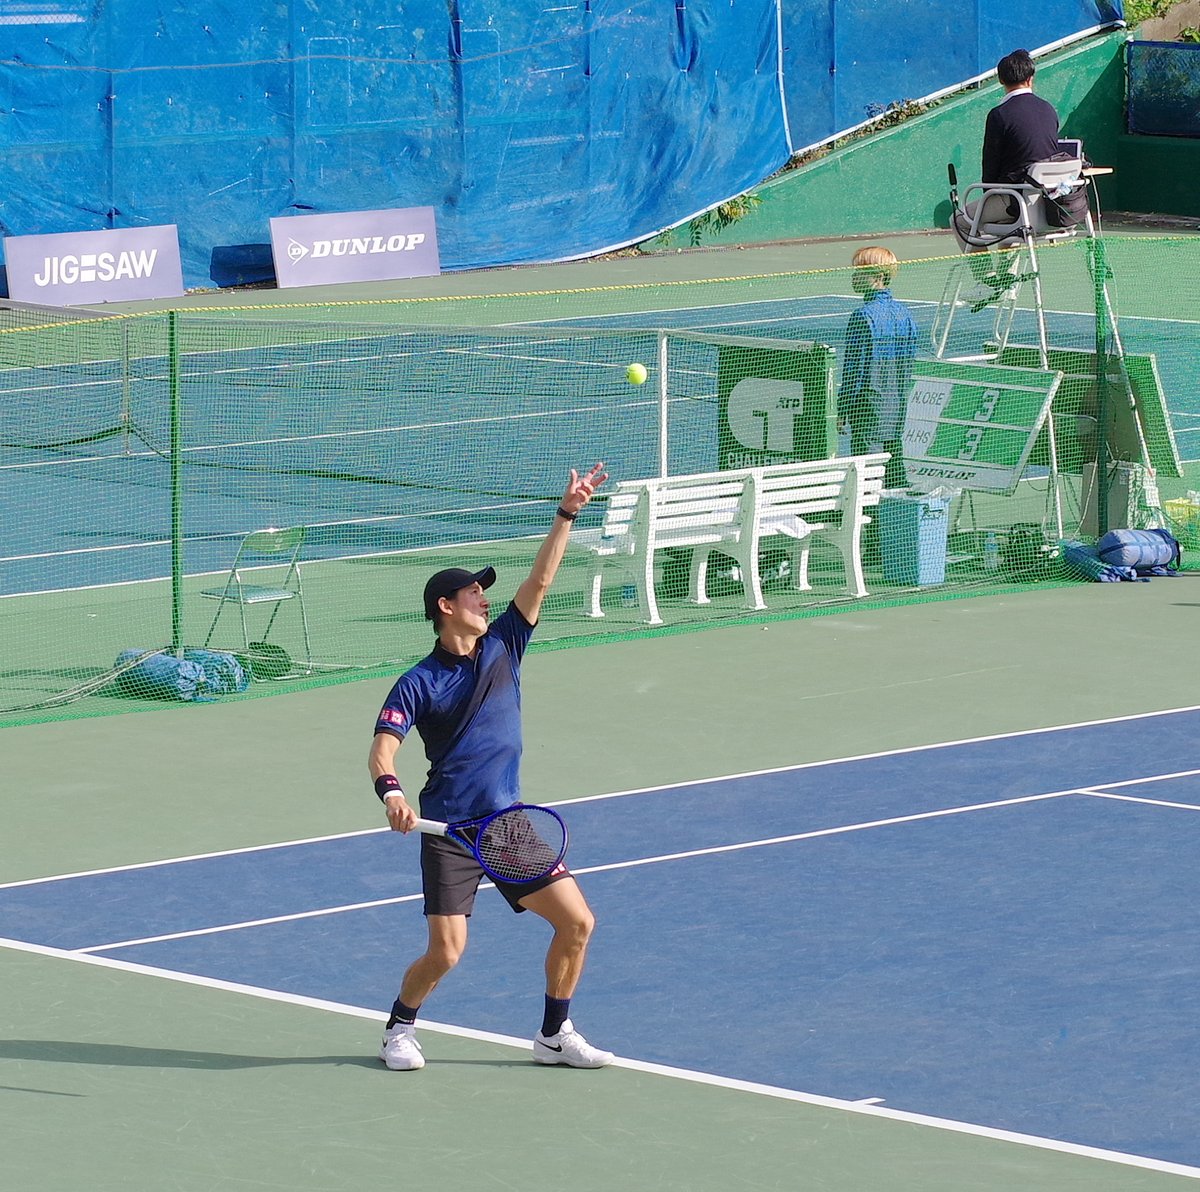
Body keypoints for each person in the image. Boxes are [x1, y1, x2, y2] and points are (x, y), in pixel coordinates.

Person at [368, 462, 613, 1072]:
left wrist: (569, 512)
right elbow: (382, 748)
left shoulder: (506, 643)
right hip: (450, 832)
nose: (486, 598)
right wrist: (393, 795)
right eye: (475, 592)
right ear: (445, 607)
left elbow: (541, 578)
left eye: (485, 592)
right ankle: (400, 1027)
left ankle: (554, 1034)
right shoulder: (419, 682)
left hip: (506, 825)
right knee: (447, 952)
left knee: (577, 922)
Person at [837, 246, 917, 498]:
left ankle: (868, 532)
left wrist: (843, 408)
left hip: (867, 406)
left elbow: (854, 369)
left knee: (864, 476)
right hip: (896, 403)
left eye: (859, 271)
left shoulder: (862, 316)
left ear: (878, 275)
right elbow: (908, 366)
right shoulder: (904, 314)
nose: (853, 277)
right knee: (895, 472)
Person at [981, 49, 1060, 195]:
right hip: (1048, 200)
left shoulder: (998, 115)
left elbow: (990, 169)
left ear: (1001, 80)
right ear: (1030, 79)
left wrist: (988, 196)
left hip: (1013, 200)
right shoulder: (1049, 109)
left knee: (958, 218)